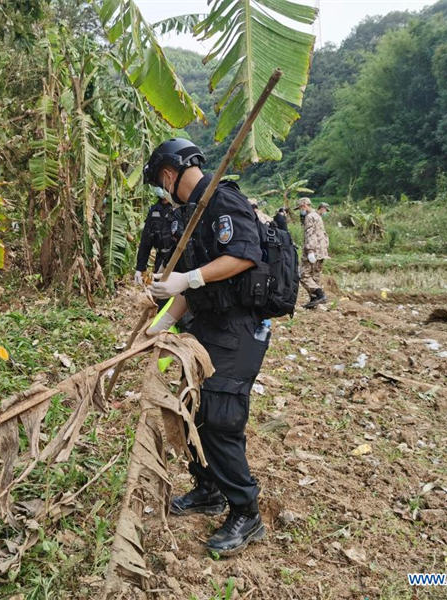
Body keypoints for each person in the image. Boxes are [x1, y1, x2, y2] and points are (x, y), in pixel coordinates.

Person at [142, 137, 269, 556]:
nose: (161, 193)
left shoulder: (221, 200)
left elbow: (244, 255)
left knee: (220, 414)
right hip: (208, 324)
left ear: (167, 174)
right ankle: (209, 488)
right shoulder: (190, 215)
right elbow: (186, 293)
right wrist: (159, 327)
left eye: (159, 186)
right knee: (194, 405)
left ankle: (246, 513)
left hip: (240, 327)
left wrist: (190, 277)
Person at [134, 192, 175, 287]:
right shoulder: (154, 210)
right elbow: (146, 242)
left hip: (177, 260)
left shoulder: (179, 208)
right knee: (160, 294)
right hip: (161, 261)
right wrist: (140, 268)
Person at [295, 197, 330, 308]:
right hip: (321, 250)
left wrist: (310, 251)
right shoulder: (317, 216)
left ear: (305, 205)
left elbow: (310, 234)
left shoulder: (309, 217)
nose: (301, 210)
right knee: (315, 276)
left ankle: (320, 294)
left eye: (300, 207)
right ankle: (314, 300)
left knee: (303, 275)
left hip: (313, 250)